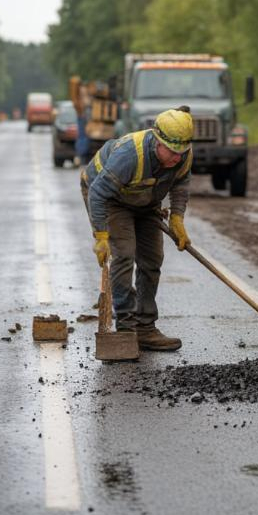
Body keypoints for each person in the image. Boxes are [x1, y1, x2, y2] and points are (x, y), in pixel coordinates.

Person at [80, 108, 193, 351]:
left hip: (145, 200)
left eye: (181, 153)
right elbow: (98, 193)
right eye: (172, 152)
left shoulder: (182, 153)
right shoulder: (131, 155)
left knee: (152, 259)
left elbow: (181, 183)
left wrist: (177, 218)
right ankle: (127, 327)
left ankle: (145, 327)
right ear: (157, 141)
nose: (177, 158)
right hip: (110, 199)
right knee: (124, 254)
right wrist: (101, 235)